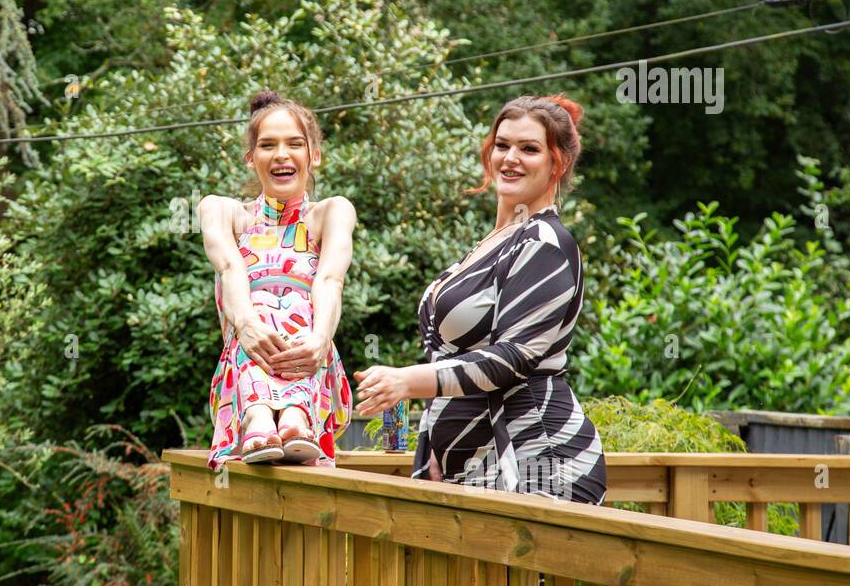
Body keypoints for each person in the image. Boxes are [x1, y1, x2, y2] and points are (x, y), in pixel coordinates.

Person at [354, 94, 607, 504]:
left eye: (529, 149)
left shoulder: (546, 242)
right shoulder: (493, 242)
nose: (510, 158)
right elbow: (448, 356)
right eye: (502, 145)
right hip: (474, 464)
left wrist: (406, 381)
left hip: (536, 461)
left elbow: (511, 358)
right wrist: (431, 444)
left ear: (557, 163)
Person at [199, 90, 356, 470]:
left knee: (301, 305)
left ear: (313, 155)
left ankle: (293, 417)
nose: (282, 154)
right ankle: (258, 416)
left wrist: (319, 339)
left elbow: (330, 279)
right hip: (247, 359)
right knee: (259, 304)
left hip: (310, 360)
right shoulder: (223, 211)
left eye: (295, 144)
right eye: (268, 145)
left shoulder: (330, 212)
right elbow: (230, 269)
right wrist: (249, 325)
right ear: (251, 159)